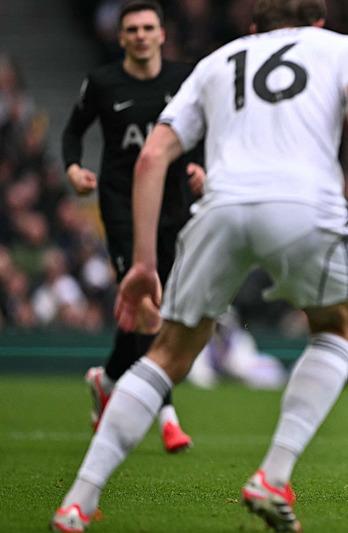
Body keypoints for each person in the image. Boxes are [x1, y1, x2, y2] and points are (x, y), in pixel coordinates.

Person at [49, 0, 348, 531]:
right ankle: (274, 475)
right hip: (305, 206)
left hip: (221, 208)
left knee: (165, 354)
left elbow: (151, 158)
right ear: (318, 21)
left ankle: (78, 502)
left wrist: (143, 263)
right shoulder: (342, 48)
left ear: (253, 27)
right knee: (337, 330)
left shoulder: (217, 61)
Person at [61, 0, 202, 453]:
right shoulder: (103, 82)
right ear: (120, 36)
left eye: (148, 27)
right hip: (122, 204)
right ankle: (168, 417)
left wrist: (201, 165)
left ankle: (106, 380)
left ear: (162, 34)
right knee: (145, 302)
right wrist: (73, 168)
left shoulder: (185, 79)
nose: (141, 35)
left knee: (158, 308)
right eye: (132, 29)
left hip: (174, 206)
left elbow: (207, 128)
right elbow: (73, 130)